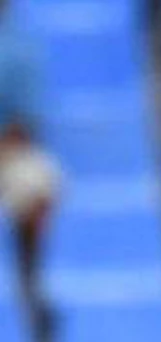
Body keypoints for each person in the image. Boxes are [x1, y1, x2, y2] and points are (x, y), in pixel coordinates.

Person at [0, 1, 58, 284]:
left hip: (7, 154)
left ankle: (30, 283)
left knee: (38, 180)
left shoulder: (18, 47)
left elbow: (22, 125)